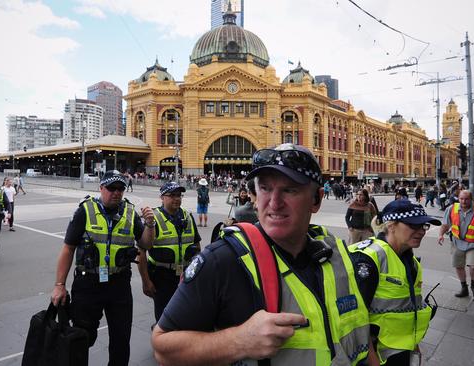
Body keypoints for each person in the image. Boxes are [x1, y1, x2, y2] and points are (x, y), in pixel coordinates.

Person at [152, 144, 375, 366]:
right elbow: (163, 348)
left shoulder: (337, 256)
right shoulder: (222, 260)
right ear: (255, 196)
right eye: (265, 189)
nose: (274, 203)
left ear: (316, 199)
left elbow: (361, 339)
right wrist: (237, 341)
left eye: (290, 190)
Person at [50, 171, 155, 366]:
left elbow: (146, 245)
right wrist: (59, 284)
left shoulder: (131, 213)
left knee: (121, 339)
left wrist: (150, 225)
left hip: (119, 284)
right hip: (88, 284)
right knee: (82, 337)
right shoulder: (85, 210)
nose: (116, 193)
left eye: (120, 189)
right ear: (101, 188)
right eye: (111, 188)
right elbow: (68, 248)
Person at [349, 200, 439, 365]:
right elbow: (354, 320)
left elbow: (407, 308)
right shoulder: (368, 259)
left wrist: (413, 345)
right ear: (391, 225)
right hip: (375, 356)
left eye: (424, 226)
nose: (421, 231)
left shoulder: (411, 262)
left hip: (400, 350)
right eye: (414, 225)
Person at [137, 181, 201, 324]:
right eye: (172, 195)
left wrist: (197, 272)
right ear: (162, 197)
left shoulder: (187, 217)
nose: (177, 198)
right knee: (163, 317)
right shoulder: (154, 218)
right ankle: (161, 341)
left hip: (185, 274)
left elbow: (197, 246)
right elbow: (141, 251)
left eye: (179, 195)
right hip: (161, 276)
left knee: (185, 314)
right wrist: (146, 281)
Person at [437, 190, 474, 299]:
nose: (463, 201)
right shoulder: (451, 209)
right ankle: (464, 288)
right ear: (458, 198)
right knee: (459, 266)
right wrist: (440, 235)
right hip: (457, 242)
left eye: (466, 199)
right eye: (461, 199)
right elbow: (445, 225)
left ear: (471, 199)